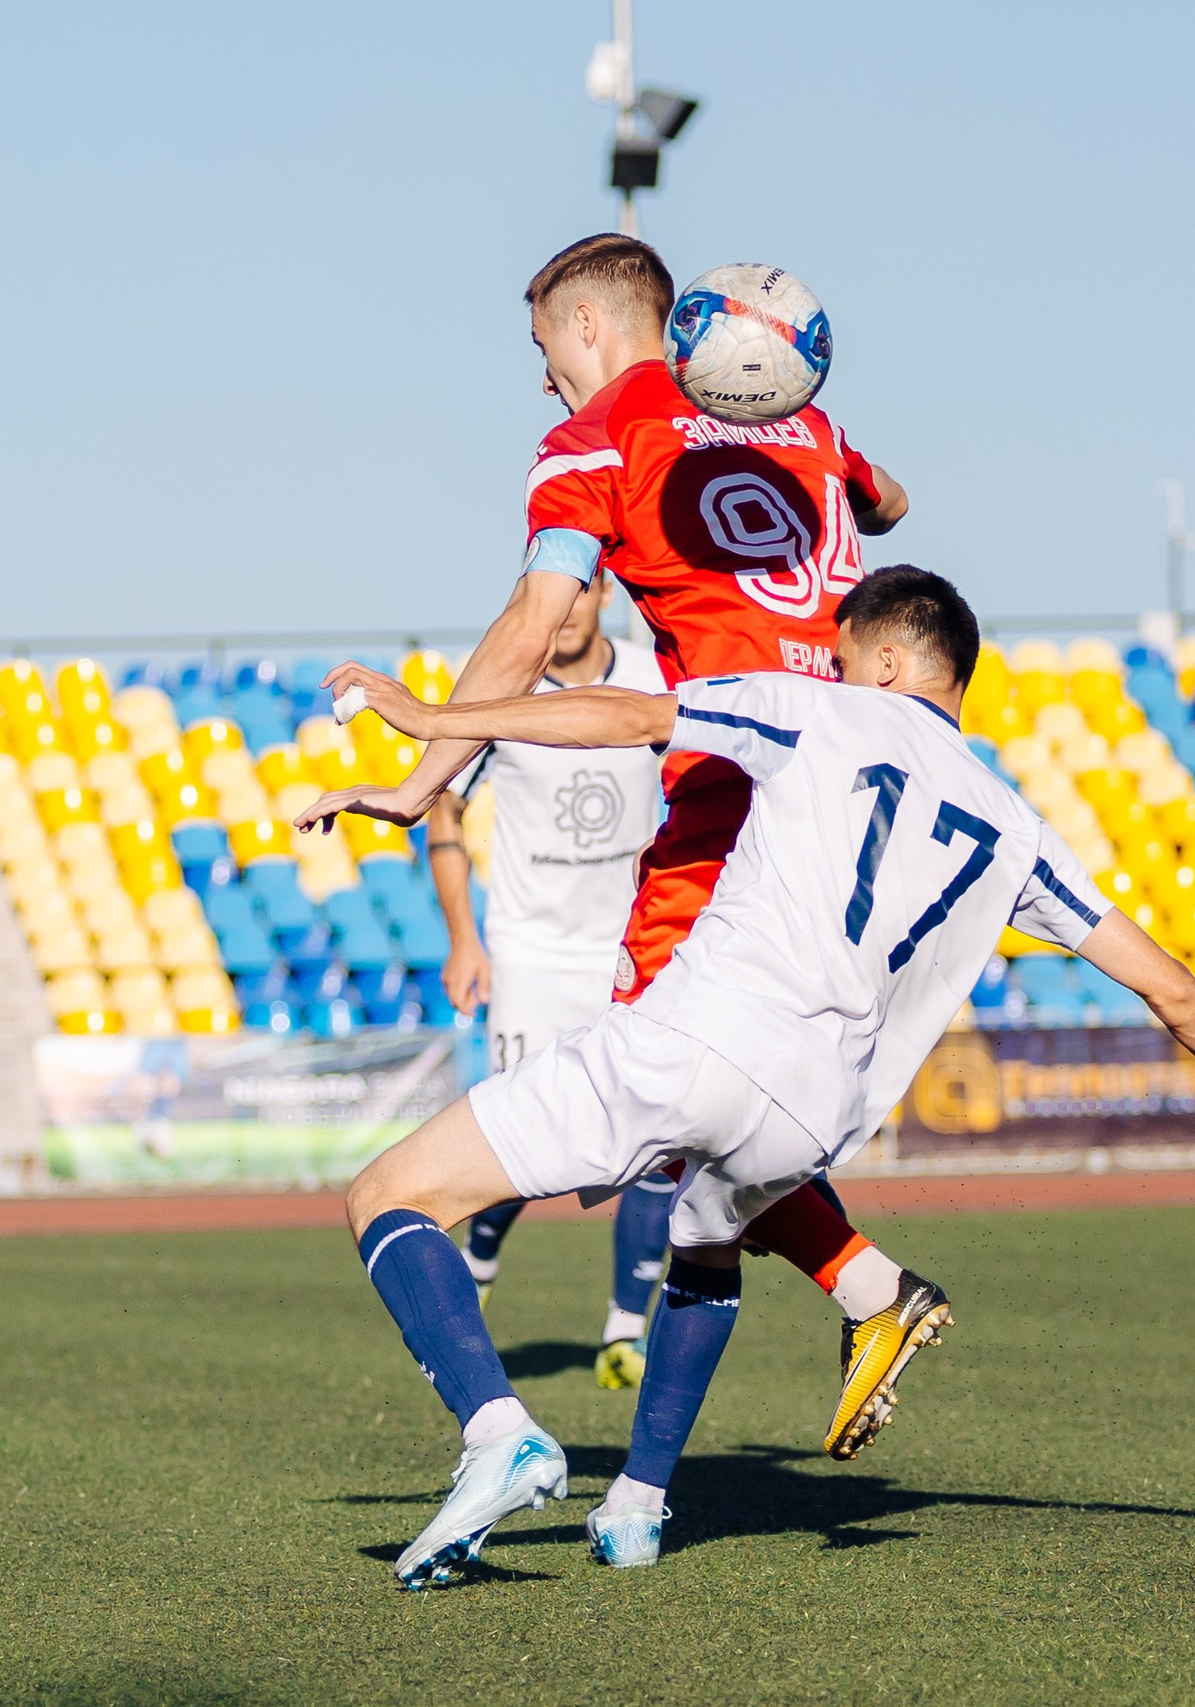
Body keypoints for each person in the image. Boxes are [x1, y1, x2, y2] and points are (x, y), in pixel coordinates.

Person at [302, 567, 1195, 1587]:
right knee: (704, 1234)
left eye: (845, 658)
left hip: (695, 1041)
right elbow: (1168, 984)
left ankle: (500, 1434)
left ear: (887, 661)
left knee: (388, 1193)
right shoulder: (1014, 829)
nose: (835, 671)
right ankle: (637, 1504)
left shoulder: (815, 711)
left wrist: (434, 721)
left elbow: (628, 716)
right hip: (810, 1117)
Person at [340, 232, 924, 1460]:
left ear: (589, 326)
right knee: (700, 1105)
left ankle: (863, 1292)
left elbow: (535, 616)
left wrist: (423, 773)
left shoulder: (594, 438)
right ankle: (816, 1334)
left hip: (731, 788)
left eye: (541, 343)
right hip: (860, 786)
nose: (542, 374)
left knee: (661, 1093)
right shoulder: (801, 418)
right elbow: (890, 503)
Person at [427, 570, 674, 1387]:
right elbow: (443, 804)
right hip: (530, 954)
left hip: (629, 952)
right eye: (552, 593)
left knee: (652, 1142)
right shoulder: (506, 685)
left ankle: (624, 1332)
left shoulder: (651, 676)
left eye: (582, 588)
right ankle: (481, 1257)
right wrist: (464, 939)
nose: (566, 607)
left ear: (605, 595)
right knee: (523, 1134)